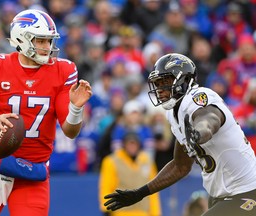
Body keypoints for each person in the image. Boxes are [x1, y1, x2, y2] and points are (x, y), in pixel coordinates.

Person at [0, 9, 92, 216]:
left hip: (33, 170)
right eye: (40, 40)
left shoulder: (63, 70)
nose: (47, 47)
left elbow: (70, 131)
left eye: (49, 41)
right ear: (21, 38)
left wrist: (76, 109)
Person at [104, 53, 256, 216]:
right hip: (220, 195)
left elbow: (209, 119)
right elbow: (180, 166)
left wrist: (198, 133)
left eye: (165, 82)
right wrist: (140, 193)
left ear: (184, 80)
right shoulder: (174, 113)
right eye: (157, 83)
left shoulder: (198, 97)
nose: (160, 89)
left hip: (247, 190)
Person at [99, 131, 162, 216]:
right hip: (121, 212)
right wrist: (106, 208)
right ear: (124, 145)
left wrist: (155, 212)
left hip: (143, 212)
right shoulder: (111, 161)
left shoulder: (147, 161)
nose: (132, 147)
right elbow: (106, 186)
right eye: (129, 144)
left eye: (134, 144)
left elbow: (153, 188)